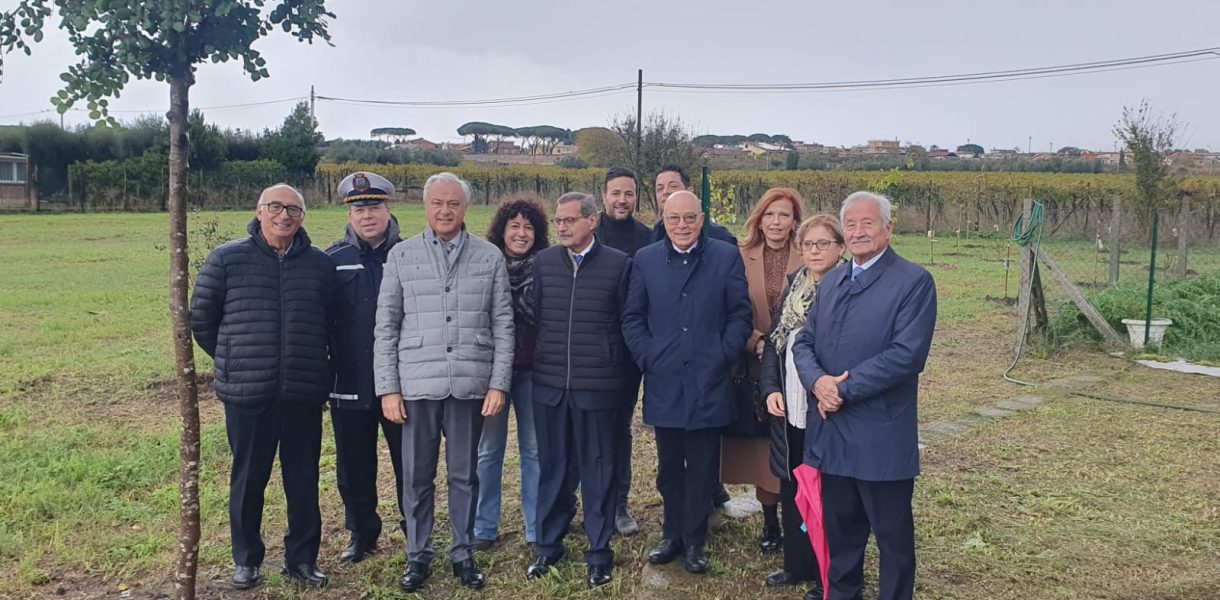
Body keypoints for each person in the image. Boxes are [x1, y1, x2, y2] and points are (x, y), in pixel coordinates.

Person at [792, 191, 937, 600]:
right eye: (851, 225)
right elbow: (804, 342)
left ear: (888, 229)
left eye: (868, 223)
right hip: (832, 431)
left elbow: (906, 355)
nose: (858, 232)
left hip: (880, 435)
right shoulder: (835, 278)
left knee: (892, 535)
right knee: (842, 530)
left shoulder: (912, 282)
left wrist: (842, 387)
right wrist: (817, 382)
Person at [375, 172, 514, 593]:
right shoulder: (402, 255)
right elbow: (386, 326)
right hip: (416, 384)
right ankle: (417, 555)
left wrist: (498, 384)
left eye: (453, 203)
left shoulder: (489, 257)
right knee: (416, 477)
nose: (445, 211)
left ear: (465, 208)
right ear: (425, 206)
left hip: (469, 384)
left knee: (463, 475)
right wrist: (389, 388)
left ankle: (462, 551)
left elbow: (504, 325)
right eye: (437, 203)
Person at [190, 184, 335, 589]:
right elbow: (202, 319)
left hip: (303, 393)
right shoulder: (226, 260)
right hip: (249, 393)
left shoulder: (321, 266)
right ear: (259, 211)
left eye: (293, 209)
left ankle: (302, 559)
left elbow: (333, 325)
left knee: (303, 480)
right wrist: (234, 357)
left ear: (303, 217)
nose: (284, 215)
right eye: (275, 207)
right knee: (249, 478)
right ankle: (247, 559)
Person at [623, 191, 753, 574]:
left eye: (690, 218)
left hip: (709, 380)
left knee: (701, 466)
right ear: (663, 219)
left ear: (702, 219)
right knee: (668, 468)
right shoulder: (645, 260)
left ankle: (695, 540)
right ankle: (672, 535)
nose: (682, 225)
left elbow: (740, 315)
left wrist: (720, 355)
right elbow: (632, 318)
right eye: (674, 218)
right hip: (664, 379)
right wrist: (650, 357)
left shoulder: (725, 256)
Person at [525, 192, 632, 589]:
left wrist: (610, 368)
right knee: (553, 469)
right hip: (550, 384)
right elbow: (537, 314)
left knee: (598, 469)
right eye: (559, 221)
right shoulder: (545, 263)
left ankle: (599, 552)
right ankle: (548, 546)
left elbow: (626, 322)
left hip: (598, 387)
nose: (563, 227)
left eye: (571, 220)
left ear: (592, 221)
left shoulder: (619, 265)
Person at [760, 214, 846, 600]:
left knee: (825, 494)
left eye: (823, 244)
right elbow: (775, 343)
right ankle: (795, 564)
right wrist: (769, 388)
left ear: (840, 248)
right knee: (793, 485)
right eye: (808, 244)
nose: (813, 251)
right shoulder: (795, 286)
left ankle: (824, 572)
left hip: (826, 408)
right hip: (790, 403)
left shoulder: (847, 288)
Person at [325, 171, 406, 565]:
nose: (367, 215)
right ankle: (362, 533)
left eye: (374, 206)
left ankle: (415, 527)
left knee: (410, 463)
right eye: (359, 208)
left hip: (402, 385)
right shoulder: (332, 260)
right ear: (350, 214)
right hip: (349, 381)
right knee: (354, 465)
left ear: (388, 208)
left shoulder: (409, 256)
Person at [724, 187, 805, 555]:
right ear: (759, 217)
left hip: (798, 366)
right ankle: (771, 523)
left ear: (794, 221)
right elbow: (727, 307)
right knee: (762, 450)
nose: (775, 222)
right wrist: (754, 340)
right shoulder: (739, 256)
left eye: (783, 215)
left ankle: (799, 518)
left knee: (792, 444)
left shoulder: (810, 255)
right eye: (769, 214)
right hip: (753, 361)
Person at [473, 194, 550, 550]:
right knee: (489, 451)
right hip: (493, 374)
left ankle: (536, 526)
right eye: (514, 226)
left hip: (535, 371)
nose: (521, 233)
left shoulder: (549, 266)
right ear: (501, 230)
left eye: (529, 227)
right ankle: (484, 527)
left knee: (534, 450)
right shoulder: (484, 265)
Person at [591, 166, 650, 536]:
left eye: (628, 194)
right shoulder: (587, 231)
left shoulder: (647, 238)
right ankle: (585, 502)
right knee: (585, 431)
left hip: (628, 353)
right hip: (588, 348)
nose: (622, 200)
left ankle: (618, 505)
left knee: (619, 430)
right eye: (616, 193)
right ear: (604, 196)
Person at [651, 164, 737, 246]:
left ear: (689, 191)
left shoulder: (716, 235)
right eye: (660, 188)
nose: (665, 192)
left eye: (673, 186)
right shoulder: (658, 232)